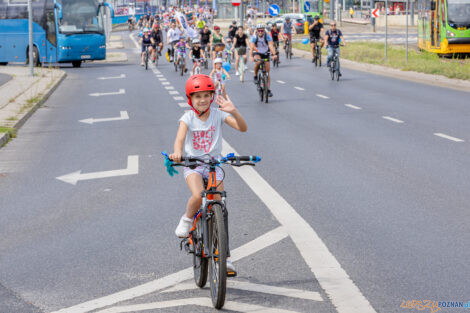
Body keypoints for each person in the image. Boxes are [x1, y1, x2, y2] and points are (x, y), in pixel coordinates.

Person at [170, 74, 247, 276]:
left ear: (212, 96)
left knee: (220, 207)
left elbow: (242, 128)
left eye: (206, 95)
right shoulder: (187, 117)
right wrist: (177, 153)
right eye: (198, 96)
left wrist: (234, 111)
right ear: (190, 99)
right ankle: (187, 220)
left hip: (214, 165)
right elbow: (179, 139)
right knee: (198, 195)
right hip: (194, 165)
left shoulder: (218, 114)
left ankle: (225, 259)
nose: (202, 99)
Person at [249, 24, 277, 97]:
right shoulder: (254, 37)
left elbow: (270, 45)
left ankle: (268, 89)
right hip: (257, 52)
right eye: (259, 30)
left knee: (267, 72)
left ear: (264, 30)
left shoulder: (267, 36)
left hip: (265, 53)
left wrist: (274, 54)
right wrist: (250, 56)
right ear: (257, 31)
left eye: (262, 30)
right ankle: (255, 75)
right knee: (258, 61)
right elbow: (251, 47)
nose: (260, 32)